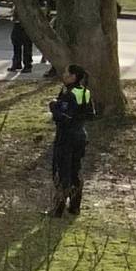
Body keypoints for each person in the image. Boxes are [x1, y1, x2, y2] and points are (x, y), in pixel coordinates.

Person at [46, 66, 95, 217]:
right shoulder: (85, 92)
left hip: (66, 137)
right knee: (76, 170)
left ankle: (57, 209)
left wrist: (54, 106)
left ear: (73, 77)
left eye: (66, 73)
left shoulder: (69, 94)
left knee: (62, 172)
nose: (64, 75)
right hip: (80, 135)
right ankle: (75, 207)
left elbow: (64, 117)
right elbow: (91, 115)